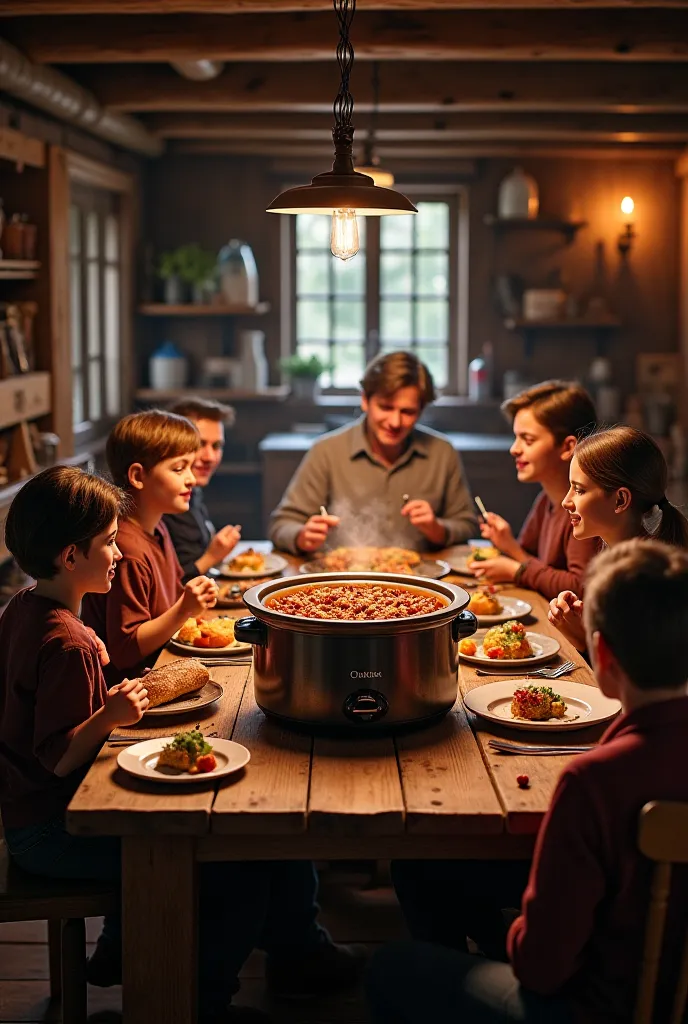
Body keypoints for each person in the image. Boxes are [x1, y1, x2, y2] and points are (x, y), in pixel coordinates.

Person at [0, 467, 364, 1024]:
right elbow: (59, 758)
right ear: (71, 556)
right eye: (108, 544)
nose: (119, 554)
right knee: (235, 867)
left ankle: (130, 948)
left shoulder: (28, 606)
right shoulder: (67, 643)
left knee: (249, 839)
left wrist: (93, 664)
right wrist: (110, 715)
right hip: (55, 830)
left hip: (31, 817)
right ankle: (199, 1003)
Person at [367, 538, 688, 1024]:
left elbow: (541, 968)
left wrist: (517, 931)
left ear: (600, 654)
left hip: (598, 1007)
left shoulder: (595, 780)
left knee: (390, 967)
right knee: (424, 868)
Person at [268, 350, 478, 554]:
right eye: (385, 407)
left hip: (418, 577)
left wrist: (438, 529)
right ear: (365, 400)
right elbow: (281, 525)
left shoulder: (442, 452)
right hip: (345, 578)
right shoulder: (327, 451)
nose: (395, 422)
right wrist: (302, 536)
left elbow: (467, 525)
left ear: (421, 410)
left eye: (407, 412)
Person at [81, 409, 219, 685]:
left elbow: (165, 599)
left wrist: (191, 602)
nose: (191, 478)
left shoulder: (159, 527)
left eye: (191, 467)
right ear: (138, 476)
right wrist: (184, 609)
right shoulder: (127, 549)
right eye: (179, 468)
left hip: (161, 670)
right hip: (130, 693)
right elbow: (124, 650)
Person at [549, 424, 688, 651]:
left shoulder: (645, 580)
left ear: (620, 500)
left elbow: (640, 678)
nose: (566, 501)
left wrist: (584, 636)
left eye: (579, 490)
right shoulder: (619, 559)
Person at [469, 380, 599, 599]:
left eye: (527, 440)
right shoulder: (546, 499)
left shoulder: (585, 509)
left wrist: (516, 571)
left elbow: (579, 586)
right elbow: (528, 557)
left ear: (568, 447)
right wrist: (508, 544)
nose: (514, 449)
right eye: (516, 437)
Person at [164, 396, 242, 582]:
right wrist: (212, 556)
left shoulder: (194, 492)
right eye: (200, 444)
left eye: (216, 446)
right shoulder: (161, 503)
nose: (210, 457)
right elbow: (168, 586)